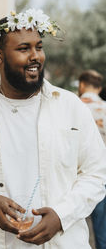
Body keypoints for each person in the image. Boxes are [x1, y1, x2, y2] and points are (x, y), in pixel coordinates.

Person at [0, 9, 106, 249]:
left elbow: (96, 174)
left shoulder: (72, 107)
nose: (35, 56)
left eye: (39, 47)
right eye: (23, 49)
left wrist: (61, 216)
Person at [79, 69, 106, 249]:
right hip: (103, 173)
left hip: (77, 174)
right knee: (102, 228)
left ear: (81, 85)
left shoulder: (74, 107)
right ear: (99, 87)